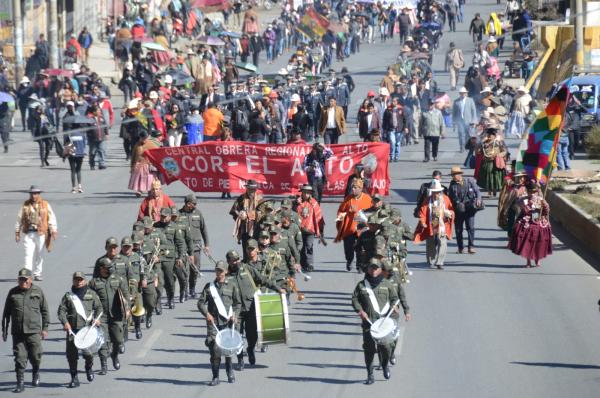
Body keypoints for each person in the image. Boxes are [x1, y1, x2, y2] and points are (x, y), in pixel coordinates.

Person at [351, 258, 399, 385]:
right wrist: (360, 310)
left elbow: (395, 298)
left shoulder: (387, 284)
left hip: (383, 323)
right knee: (369, 349)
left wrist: (395, 305)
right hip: (368, 323)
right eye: (371, 267)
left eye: (376, 268)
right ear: (367, 269)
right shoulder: (361, 285)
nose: (373, 270)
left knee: (386, 348)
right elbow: (354, 299)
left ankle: (384, 366)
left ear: (380, 270)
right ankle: (370, 374)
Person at [2, 268, 49, 393]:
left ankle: (35, 372)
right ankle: (20, 382)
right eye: (20, 279)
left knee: (35, 356)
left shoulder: (38, 292)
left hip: (34, 331)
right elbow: (6, 313)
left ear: (30, 279)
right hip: (18, 332)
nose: (22, 281)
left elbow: (45, 311)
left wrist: (45, 328)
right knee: (19, 357)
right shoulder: (13, 293)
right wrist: (5, 331)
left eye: (24, 279)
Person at [197, 260, 241, 386]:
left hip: (227, 322)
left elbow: (237, 303)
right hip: (214, 323)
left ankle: (229, 371)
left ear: (226, 272)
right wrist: (207, 314)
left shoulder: (232, 285)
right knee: (214, 351)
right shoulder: (209, 287)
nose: (219, 273)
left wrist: (235, 315)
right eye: (217, 270)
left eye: (221, 271)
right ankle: (215, 376)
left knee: (227, 350)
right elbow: (200, 303)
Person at [57, 271, 103, 388]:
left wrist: (97, 319)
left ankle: (88, 368)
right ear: (73, 281)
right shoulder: (68, 296)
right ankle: (74, 378)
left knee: (88, 355)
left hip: (87, 330)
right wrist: (65, 323)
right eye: (76, 279)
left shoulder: (91, 294)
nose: (78, 282)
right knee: (71, 356)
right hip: (72, 331)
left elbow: (99, 308)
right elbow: (61, 311)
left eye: (81, 279)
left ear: (85, 281)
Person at [88, 258, 129, 375]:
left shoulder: (119, 279)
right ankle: (103, 365)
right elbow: (89, 301)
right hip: (101, 317)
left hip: (116, 315)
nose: (111, 269)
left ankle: (114, 355)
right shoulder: (94, 283)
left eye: (111, 267)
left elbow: (125, 295)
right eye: (108, 267)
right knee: (103, 341)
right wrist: (92, 317)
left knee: (118, 340)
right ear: (101, 268)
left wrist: (127, 309)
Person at [15, 185, 58, 281]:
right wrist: (17, 232)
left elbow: (51, 218)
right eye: (32, 193)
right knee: (28, 254)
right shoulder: (25, 204)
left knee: (39, 254)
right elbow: (19, 219)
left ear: (39, 194)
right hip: (29, 233)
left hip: (41, 233)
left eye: (35, 193)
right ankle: (27, 274)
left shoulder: (45, 204)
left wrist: (53, 230)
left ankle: (38, 273)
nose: (34, 195)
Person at [509, 180, 553, 267]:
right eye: (530, 192)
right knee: (528, 242)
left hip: (539, 222)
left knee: (539, 242)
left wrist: (545, 206)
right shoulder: (523, 200)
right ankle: (528, 261)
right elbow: (523, 209)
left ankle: (537, 260)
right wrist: (529, 203)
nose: (532, 194)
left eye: (534, 192)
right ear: (527, 191)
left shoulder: (541, 199)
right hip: (528, 222)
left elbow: (546, 211)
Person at [414, 179, 454, 269]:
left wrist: (449, 213)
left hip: (442, 224)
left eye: (438, 192)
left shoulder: (446, 199)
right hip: (431, 223)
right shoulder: (427, 200)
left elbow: (451, 210)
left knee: (442, 242)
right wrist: (423, 222)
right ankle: (431, 260)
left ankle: (440, 262)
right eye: (434, 192)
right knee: (430, 242)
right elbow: (423, 213)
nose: (436, 194)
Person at [335, 178, 373, 271]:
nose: (353, 189)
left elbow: (373, 212)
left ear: (361, 188)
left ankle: (359, 265)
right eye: (352, 187)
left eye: (355, 187)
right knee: (348, 248)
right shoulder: (348, 199)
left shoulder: (367, 199)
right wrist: (340, 220)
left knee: (361, 249)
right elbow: (341, 211)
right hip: (349, 228)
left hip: (362, 229)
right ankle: (349, 260)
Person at [179, 194, 210, 298]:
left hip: (196, 246)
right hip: (183, 247)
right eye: (194, 204)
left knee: (195, 269)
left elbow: (203, 229)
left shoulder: (198, 213)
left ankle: (192, 288)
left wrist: (207, 245)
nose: (196, 206)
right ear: (188, 204)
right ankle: (185, 290)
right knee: (184, 270)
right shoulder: (179, 214)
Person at [154, 207, 186, 309]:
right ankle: (157, 301)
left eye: (165, 216)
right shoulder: (155, 226)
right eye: (161, 216)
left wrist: (180, 257)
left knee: (169, 280)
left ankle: (170, 298)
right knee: (158, 281)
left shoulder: (175, 227)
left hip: (169, 258)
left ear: (169, 216)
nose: (163, 218)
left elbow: (180, 243)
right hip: (157, 258)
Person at [448, 166, 482, 254]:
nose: (455, 176)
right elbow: (450, 199)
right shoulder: (452, 185)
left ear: (460, 174)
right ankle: (461, 248)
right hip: (458, 210)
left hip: (470, 209)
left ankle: (471, 246)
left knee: (470, 228)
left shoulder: (469, 181)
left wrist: (478, 199)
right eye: (453, 175)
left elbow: (477, 191)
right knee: (458, 230)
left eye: (456, 174)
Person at [230, 179, 263, 258]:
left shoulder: (260, 199)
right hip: (245, 230)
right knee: (246, 251)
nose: (251, 191)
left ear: (256, 189)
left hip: (257, 230)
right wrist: (240, 215)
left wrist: (249, 215)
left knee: (257, 251)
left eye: (253, 189)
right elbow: (234, 211)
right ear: (246, 188)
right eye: (249, 189)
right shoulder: (241, 199)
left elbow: (263, 214)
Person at [296, 184, 324, 273]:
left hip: (310, 229)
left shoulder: (314, 203)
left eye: (308, 193)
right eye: (305, 192)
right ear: (302, 193)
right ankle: (303, 264)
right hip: (299, 229)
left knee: (308, 246)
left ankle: (310, 263)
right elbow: (292, 214)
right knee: (301, 247)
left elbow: (319, 217)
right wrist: (295, 203)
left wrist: (320, 230)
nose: (306, 194)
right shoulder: (297, 202)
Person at [476, 128, 507, 197]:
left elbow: (504, 151)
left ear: (494, 136)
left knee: (495, 177)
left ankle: (494, 190)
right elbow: (478, 152)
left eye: (492, 135)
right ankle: (489, 191)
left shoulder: (498, 143)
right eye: (489, 134)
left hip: (495, 162)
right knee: (488, 178)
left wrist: (497, 155)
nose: (490, 136)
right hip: (486, 162)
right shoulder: (484, 143)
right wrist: (480, 143)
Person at [129, 131, 159, 197]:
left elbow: (157, 154)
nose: (144, 140)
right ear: (140, 138)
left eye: (146, 138)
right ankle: (139, 190)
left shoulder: (151, 144)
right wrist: (132, 165)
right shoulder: (137, 145)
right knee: (139, 178)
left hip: (148, 164)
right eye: (143, 138)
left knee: (150, 178)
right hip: (138, 164)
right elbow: (133, 155)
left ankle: (151, 190)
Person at [452, 87, 477, 152]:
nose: (463, 94)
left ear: (466, 93)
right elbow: (454, 112)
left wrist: (474, 120)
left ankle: (467, 145)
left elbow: (473, 111)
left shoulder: (470, 100)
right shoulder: (456, 101)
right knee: (461, 134)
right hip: (460, 121)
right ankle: (461, 147)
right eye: (461, 93)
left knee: (468, 134)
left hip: (468, 121)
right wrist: (454, 122)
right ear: (459, 94)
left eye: (464, 93)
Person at [63, 125, 87, 193]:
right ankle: (80, 187)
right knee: (78, 170)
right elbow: (84, 144)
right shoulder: (82, 134)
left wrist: (65, 155)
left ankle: (73, 188)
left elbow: (66, 144)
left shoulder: (69, 134)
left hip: (72, 154)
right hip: (80, 154)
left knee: (73, 171)